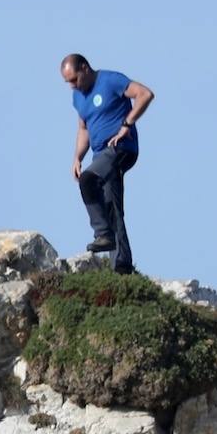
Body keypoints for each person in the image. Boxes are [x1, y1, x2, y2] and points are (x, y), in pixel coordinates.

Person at [60, 54, 155, 275]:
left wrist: (126, 124)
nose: (72, 86)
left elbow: (145, 94)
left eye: (74, 79)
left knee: (88, 180)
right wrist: (77, 157)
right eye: (68, 83)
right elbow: (83, 128)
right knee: (112, 205)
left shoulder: (110, 80)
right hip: (99, 155)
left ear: (84, 68)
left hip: (121, 148)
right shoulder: (78, 97)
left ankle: (103, 233)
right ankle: (121, 267)